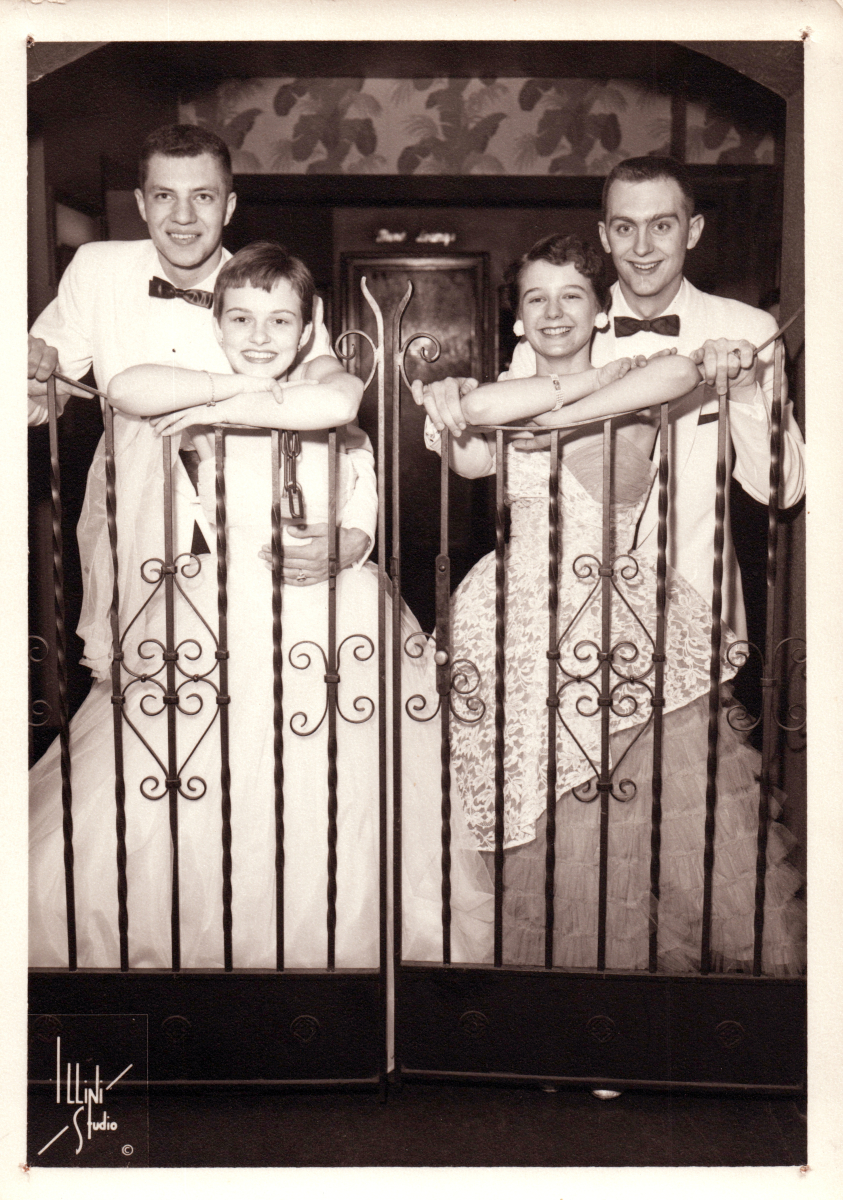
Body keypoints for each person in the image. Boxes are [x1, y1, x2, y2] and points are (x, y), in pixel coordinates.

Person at [29, 241, 492, 971]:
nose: (259, 335)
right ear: (216, 325)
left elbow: (345, 433)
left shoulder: (325, 396)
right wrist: (224, 391)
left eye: (280, 321)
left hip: (333, 624)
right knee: (194, 788)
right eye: (240, 319)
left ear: (307, 331)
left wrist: (348, 538)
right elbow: (124, 385)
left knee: (335, 794)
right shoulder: (188, 388)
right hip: (217, 615)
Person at [416, 233, 805, 976]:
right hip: (516, 624)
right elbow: (469, 452)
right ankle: (568, 998)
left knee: (648, 803)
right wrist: (461, 402)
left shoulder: (646, 369)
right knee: (544, 800)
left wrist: (543, 417)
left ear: (601, 311)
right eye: (535, 299)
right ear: (516, 317)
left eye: (572, 296)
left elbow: (675, 375)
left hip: (617, 614)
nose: (553, 312)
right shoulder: (501, 394)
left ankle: (650, 1004)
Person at [27, 123, 376, 680]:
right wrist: (27, 377)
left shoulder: (272, 295)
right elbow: (44, 401)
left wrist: (356, 533)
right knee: (146, 702)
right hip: (139, 523)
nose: (183, 216)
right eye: (165, 195)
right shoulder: (95, 269)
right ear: (141, 203)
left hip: (258, 543)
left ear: (229, 206)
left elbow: (343, 429)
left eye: (204, 196)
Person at [417, 156, 805, 642]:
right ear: (604, 236)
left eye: (661, 225)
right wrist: (451, 404)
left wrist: (745, 391)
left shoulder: (750, 329)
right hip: (563, 614)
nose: (642, 247)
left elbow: (784, 491)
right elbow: (499, 454)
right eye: (625, 227)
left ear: (693, 230)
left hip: (695, 609)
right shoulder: (556, 332)